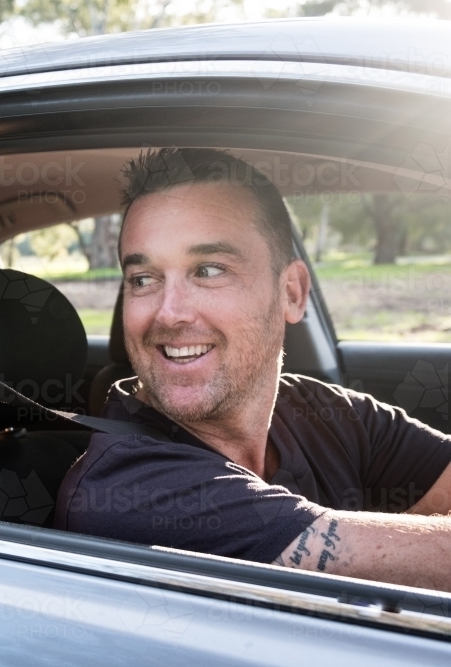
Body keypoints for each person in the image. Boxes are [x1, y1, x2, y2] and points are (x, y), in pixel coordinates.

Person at [54, 148, 451, 592]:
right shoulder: (124, 492)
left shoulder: (320, 408)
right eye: (143, 279)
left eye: (207, 270)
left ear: (293, 293)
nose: (168, 314)